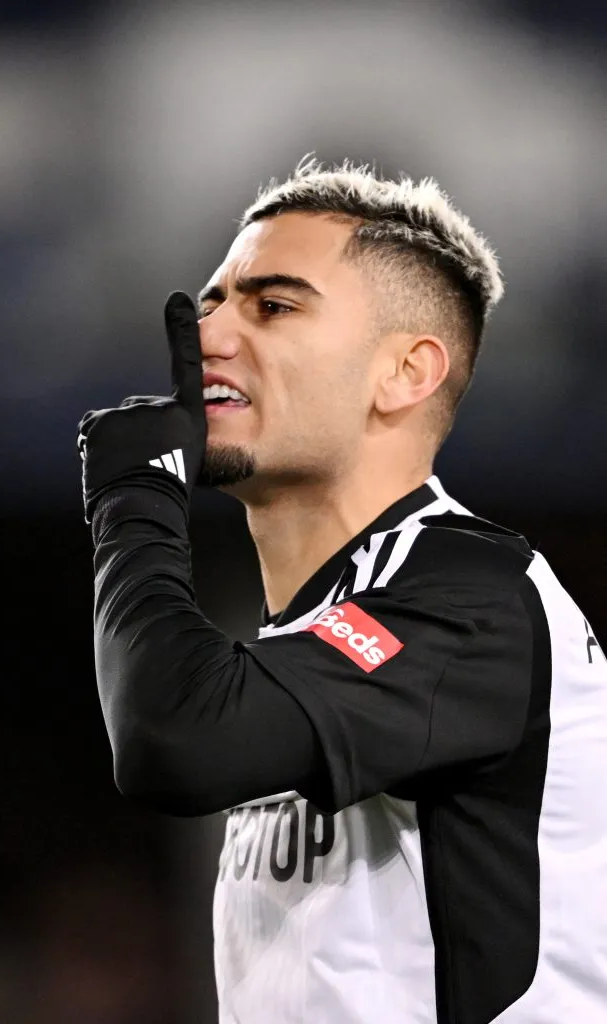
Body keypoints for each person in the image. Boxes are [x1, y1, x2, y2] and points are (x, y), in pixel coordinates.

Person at [77, 158, 607, 1024]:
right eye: (211, 304)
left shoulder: (471, 597)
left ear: (405, 372)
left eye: (273, 306)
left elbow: (171, 739)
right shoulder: (313, 629)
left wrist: (135, 498)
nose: (206, 337)